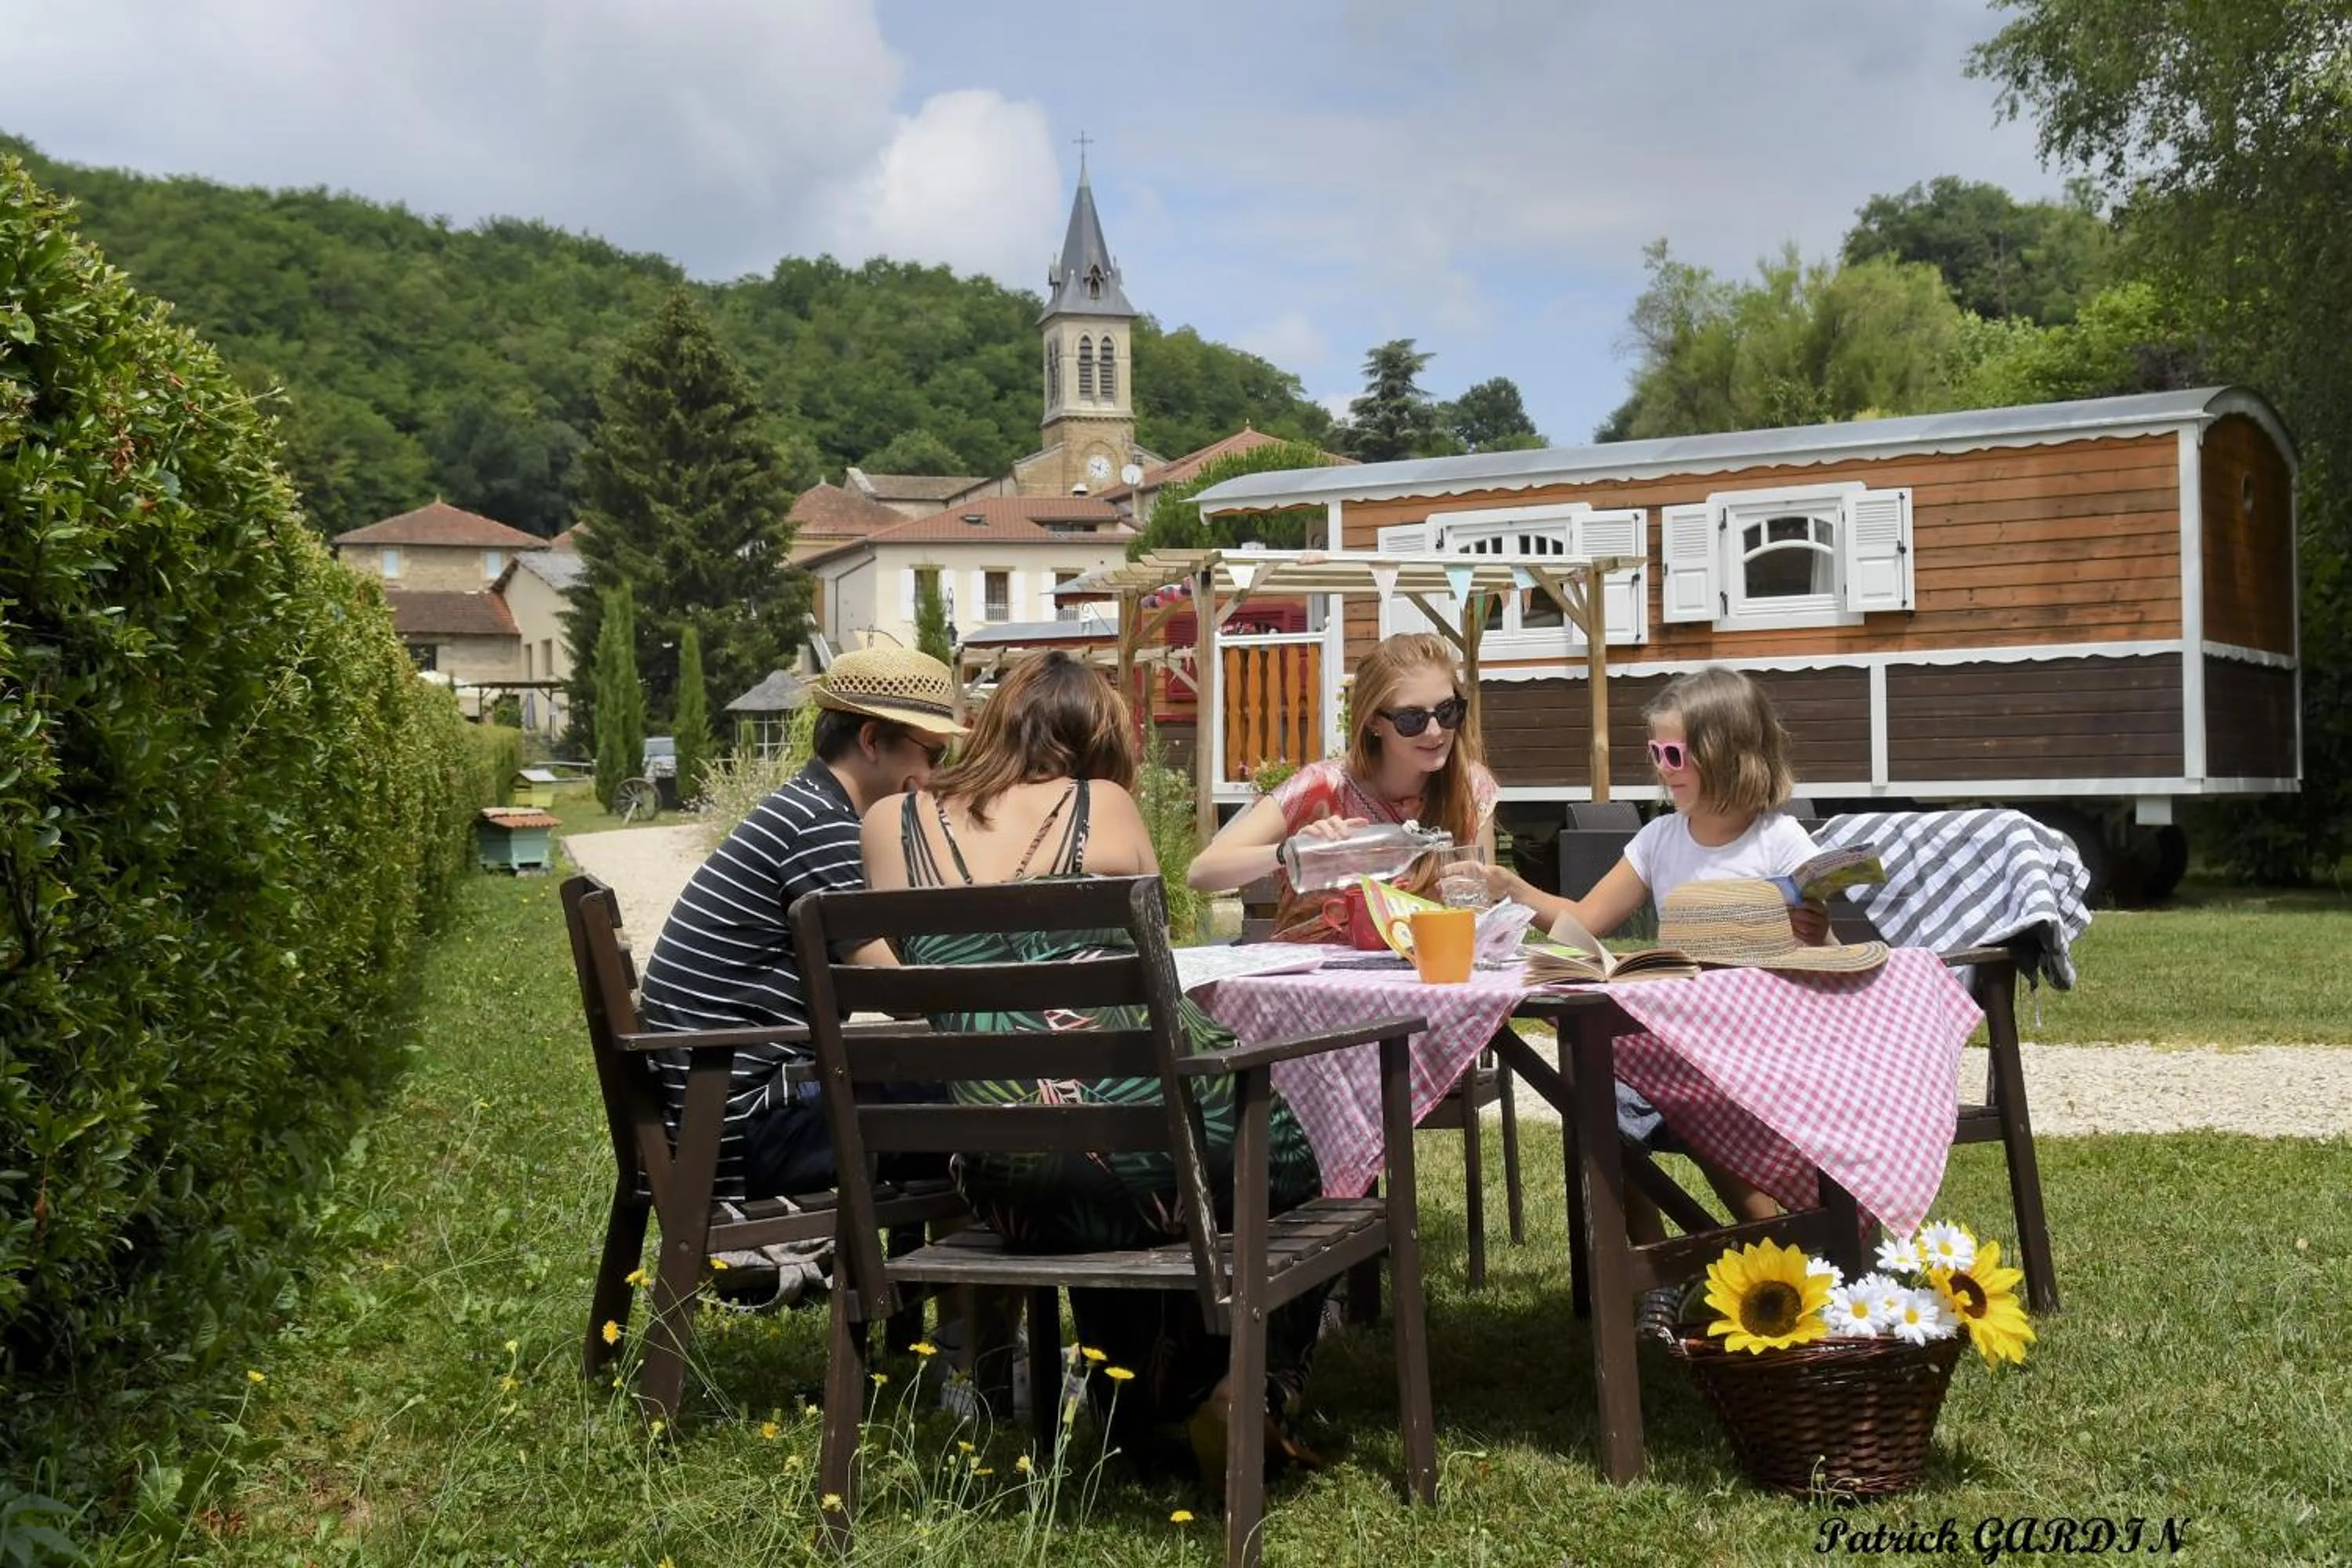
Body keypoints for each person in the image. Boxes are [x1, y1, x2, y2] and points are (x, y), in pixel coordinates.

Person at [858, 649, 1330, 1480]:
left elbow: (906, 996)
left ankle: (1144, 1415)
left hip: (1009, 1184)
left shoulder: (890, 823)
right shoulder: (1101, 805)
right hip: (1161, 1160)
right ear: (1099, 743)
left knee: (1105, 1164)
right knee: (1273, 1159)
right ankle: (1235, 1390)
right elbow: (1155, 973)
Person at [1485, 666, 1829, 1262]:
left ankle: (1781, 1265)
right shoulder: (1660, 840)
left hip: (1756, 1054)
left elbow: (1826, 960)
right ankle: (1653, 1267)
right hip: (1680, 1046)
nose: (1664, 768)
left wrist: (1814, 933)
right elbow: (1584, 922)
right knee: (1597, 1100)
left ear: (1729, 755)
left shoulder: (1780, 841)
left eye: (1676, 754)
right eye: (1656, 753)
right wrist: (1511, 886)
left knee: (1705, 1115)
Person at [634, 647, 965, 1204]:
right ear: (869, 741)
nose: (935, 775)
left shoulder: (803, 808)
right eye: (932, 753)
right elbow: (903, 994)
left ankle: (924, 1283)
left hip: (718, 1112)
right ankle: (951, 1282)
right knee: (990, 1102)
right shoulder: (824, 829)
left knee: (964, 1094)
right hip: (749, 1130)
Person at [1188, 631, 1499, 940]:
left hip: (1423, 975)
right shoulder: (1324, 786)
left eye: (1447, 712)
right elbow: (1202, 872)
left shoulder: (1471, 787)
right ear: (1374, 722)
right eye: (1411, 719)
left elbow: (1481, 905)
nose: (1435, 732)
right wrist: (1290, 851)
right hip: (1314, 981)